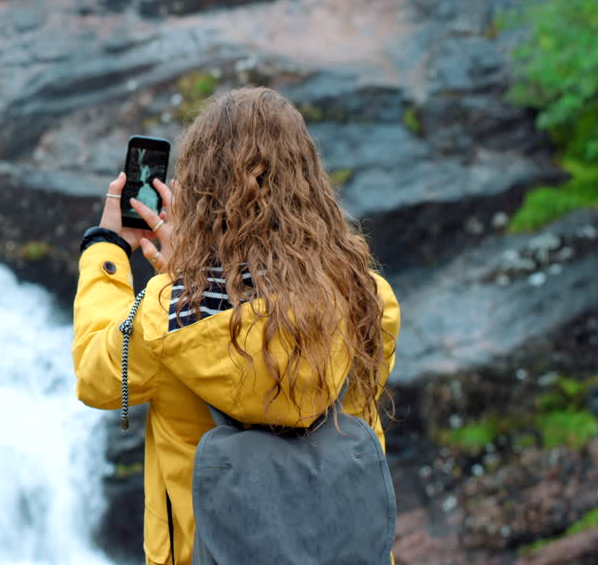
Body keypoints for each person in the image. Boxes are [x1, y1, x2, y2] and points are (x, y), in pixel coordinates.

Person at [73, 87, 401, 565]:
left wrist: (109, 247)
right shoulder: (366, 296)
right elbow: (270, 324)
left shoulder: (170, 315)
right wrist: (190, 276)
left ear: (199, 191)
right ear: (309, 182)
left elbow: (98, 375)